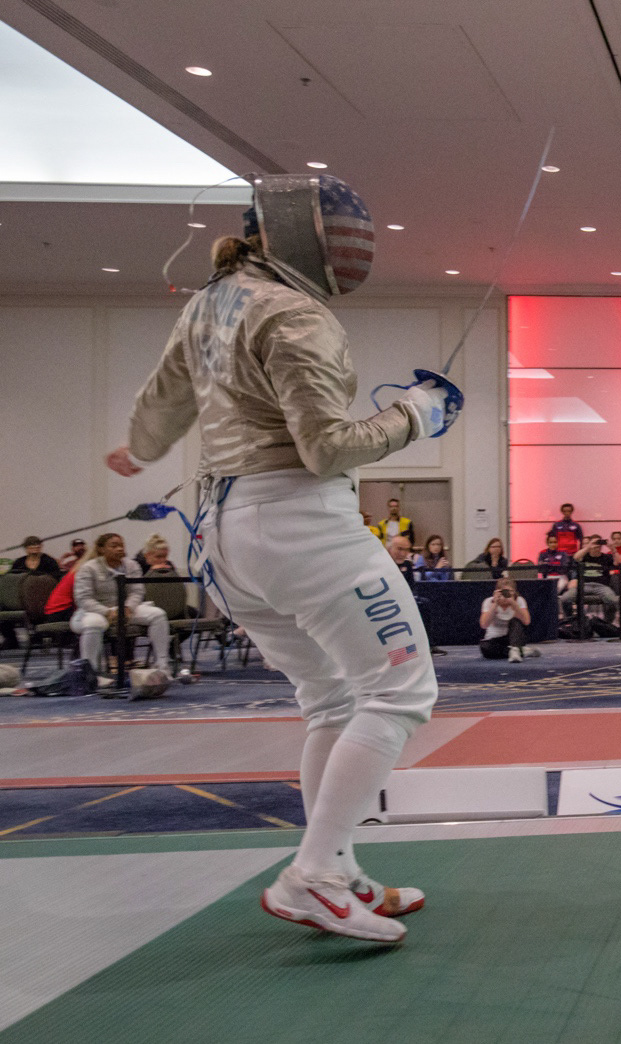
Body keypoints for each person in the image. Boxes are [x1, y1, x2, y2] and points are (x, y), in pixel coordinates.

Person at [107, 172, 459, 942]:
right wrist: (416, 415)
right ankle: (316, 877)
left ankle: (336, 862)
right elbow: (328, 446)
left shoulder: (209, 301)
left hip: (226, 538)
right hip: (301, 525)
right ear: (307, 240)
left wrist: (137, 453)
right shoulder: (296, 314)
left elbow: (157, 408)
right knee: (400, 691)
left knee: (333, 697)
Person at [71, 533, 173, 681]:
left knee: (158, 614)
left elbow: (137, 591)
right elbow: (83, 599)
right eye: (114, 546)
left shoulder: (132, 565)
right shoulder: (88, 568)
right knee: (94, 623)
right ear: (101, 549)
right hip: (95, 611)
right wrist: (107, 612)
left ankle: (162, 667)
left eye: (121, 545)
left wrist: (128, 607)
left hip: (125, 609)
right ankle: (91, 674)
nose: (119, 549)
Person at [567, 535, 621, 626]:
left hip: (602, 586)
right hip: (584, 585)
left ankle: (606, 625)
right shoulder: (584, 556)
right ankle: (572, 623)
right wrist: (589, 546)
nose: (597, 547)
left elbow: (619, 563)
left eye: (599, 544)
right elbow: (576, 557)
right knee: (566, 598)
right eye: (595, 544)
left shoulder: (606, 557)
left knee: (613, 600)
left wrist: (613, 548)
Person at [478, 580, 537, 661]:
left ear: (514, 592)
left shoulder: (519, 600)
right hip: (495, 639)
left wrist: (513, 603)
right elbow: (484, 624)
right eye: (503, 592)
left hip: (513, 638)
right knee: (485, 648)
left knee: (515, 621)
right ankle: (521, 651)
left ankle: (515, 649)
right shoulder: (488, 602)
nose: (505, 595)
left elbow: (526, 621)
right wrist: (495, 604)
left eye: (508, 592)